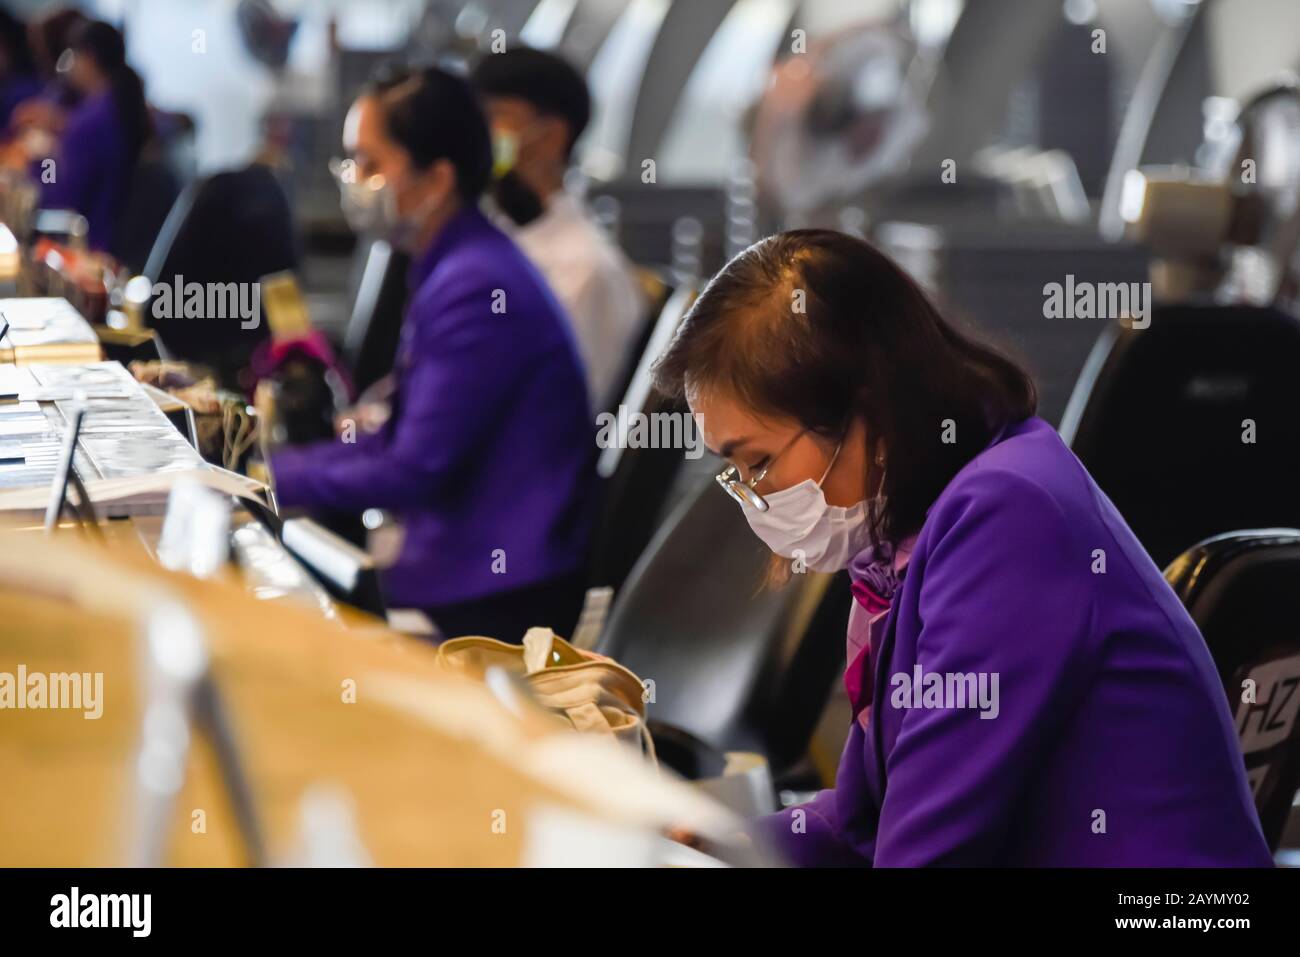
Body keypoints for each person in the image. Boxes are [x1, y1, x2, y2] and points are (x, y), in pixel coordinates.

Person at [652, 229, 1272, 866]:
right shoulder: (915, 534)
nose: (756, 494)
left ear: (866, 411)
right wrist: (728, 842)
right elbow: (882, 811)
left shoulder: (1008, 516)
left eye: (758, 461)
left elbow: (930, 850)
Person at [270, 65, 595, 642]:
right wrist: (269, 472)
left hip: (490, 598)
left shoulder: (475, 283)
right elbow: (401, 441)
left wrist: (267, 476)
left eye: (369, 163)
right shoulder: (457, 262)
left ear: (436, 180)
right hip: (469, 567)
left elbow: (410, 469)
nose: (353, 179)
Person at [472, 46, 645, 410]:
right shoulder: (501, 234)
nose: (476, 135)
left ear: (551, 136)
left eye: (494, 118)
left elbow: (553, 413)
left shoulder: (582, 267)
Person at [34, 19, 150, 253]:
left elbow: (62, 202)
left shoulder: (89, 122)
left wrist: (39, 161)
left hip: (88, 244)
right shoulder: (117, 106)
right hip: (112, 237)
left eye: (73, 55)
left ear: (89, 56)